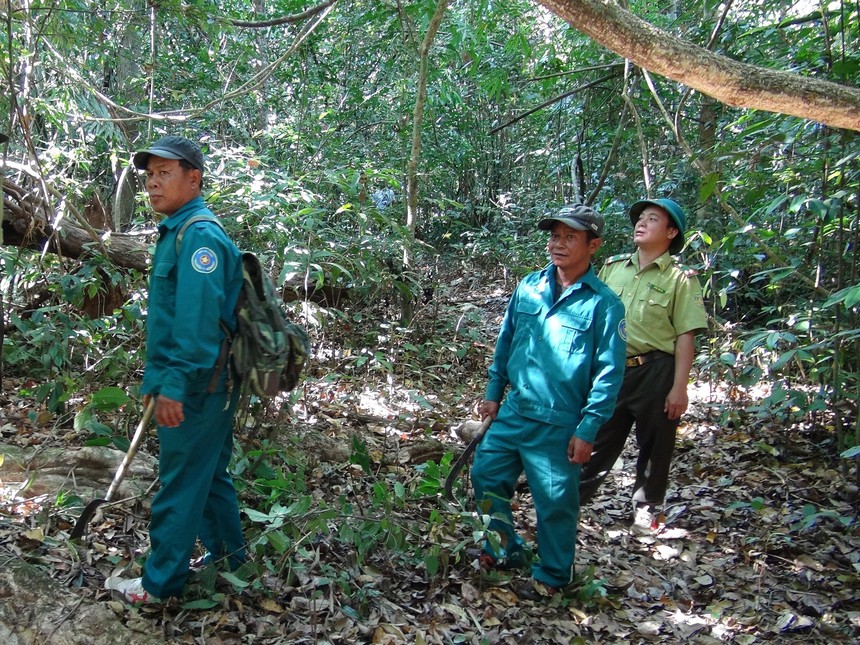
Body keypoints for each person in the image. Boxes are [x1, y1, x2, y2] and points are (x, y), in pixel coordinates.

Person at [105, 136, 246, 603]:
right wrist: (158, 381)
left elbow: (197, 326)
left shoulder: (199, 235)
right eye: (149, 175)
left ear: (194, 178)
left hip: (198, 387)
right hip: (201, 384)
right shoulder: (178, 231)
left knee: (180, 484)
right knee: (209, 476)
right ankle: (230, 560)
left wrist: (173, 387)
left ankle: (158, 585)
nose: (152, 183)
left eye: (165, 173)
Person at [470, 204, 626, 599]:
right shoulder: (529, 286)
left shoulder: (604, 305)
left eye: (570, 237)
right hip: (515, 411)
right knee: (485, 475)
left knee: (555, 502)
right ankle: (504, 550)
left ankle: (553, 574)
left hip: (560, 421)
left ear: (594, 246)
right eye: (555, 236)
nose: (558, 244)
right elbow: (506, 342)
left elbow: (609, 374)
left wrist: (589, 427)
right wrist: (493, 394)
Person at [579, 198, 708, 533]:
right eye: (640, 218)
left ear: (670, 232)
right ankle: (572, 496)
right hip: (612, 369)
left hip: (656, 370)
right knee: (597, 435)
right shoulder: (613, 267)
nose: (641, 223)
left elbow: (685, 336)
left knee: (655, 444)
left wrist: (679, 388)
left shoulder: (680, 279)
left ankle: (647, 508)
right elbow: (592, 316)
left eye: (653, 219)